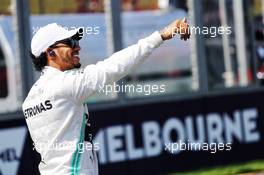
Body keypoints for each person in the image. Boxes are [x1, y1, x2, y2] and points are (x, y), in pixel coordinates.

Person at [22, 18, 190, 175]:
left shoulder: (30, 100)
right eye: (70, 43)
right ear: (50, 52)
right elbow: (113, 67)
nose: (78, 47)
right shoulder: (65, 85)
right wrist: (160, 36)